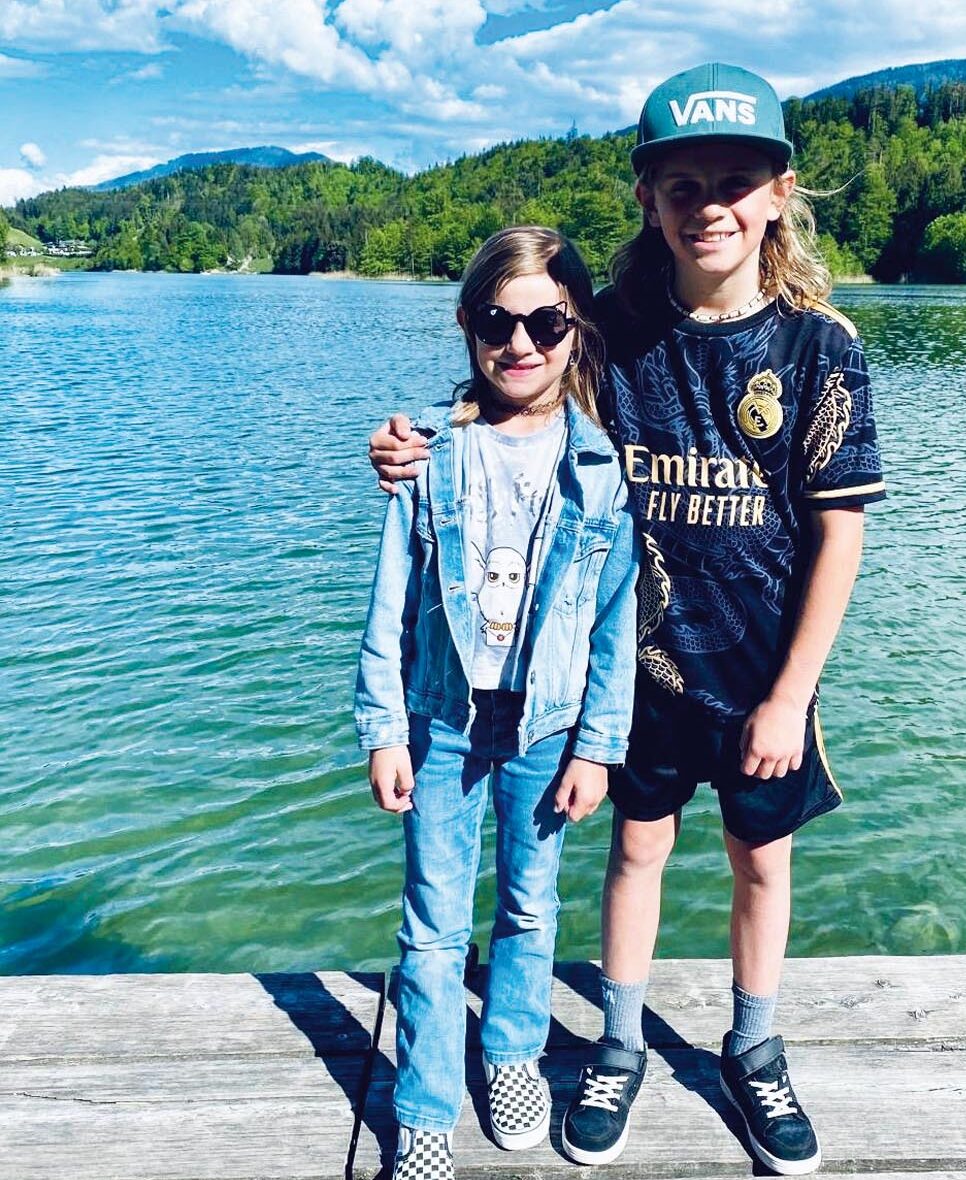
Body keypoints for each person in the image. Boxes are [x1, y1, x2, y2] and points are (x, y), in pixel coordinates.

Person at [369, 62, 885, 1177]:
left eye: (735, 182)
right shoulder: (609, 330)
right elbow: (516, 379)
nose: (710, 206)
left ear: (778, 194)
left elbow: (838, 535)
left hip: (762, 677)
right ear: (647, 199)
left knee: (760, 863)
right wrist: (419, 440)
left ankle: (753, 1048)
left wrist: (791, 696)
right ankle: (615, 1043)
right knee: (635, 854)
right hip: (636, 671)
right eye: (682, 185)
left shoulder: (820, 348)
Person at [355, 225, 639, 1180]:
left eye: (545, 323)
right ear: (467, 326)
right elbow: (389, 601)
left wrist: (597, 745)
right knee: (432, 926)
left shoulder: (601, 468)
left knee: (529, 907)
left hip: (546, 728)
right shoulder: (428, 456)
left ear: (576, 328)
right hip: (439, 720)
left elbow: (613, 621)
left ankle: (513, 1053)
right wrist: (383, 729)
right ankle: (424, 1107)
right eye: (495, 322)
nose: (520, 344)